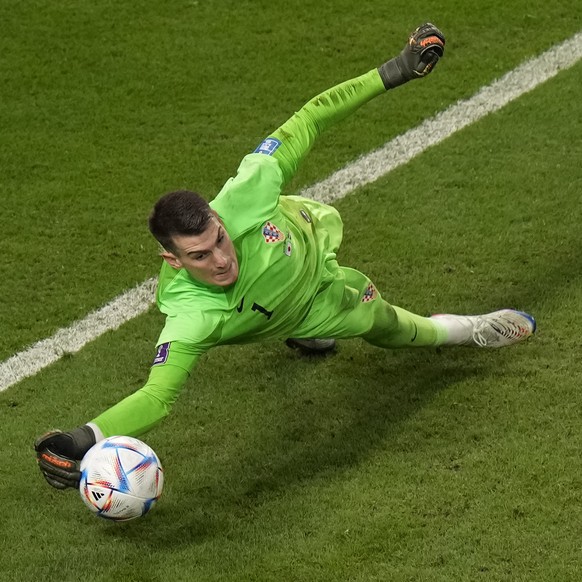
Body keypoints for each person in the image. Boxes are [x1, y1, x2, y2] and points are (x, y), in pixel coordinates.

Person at [35, 23, 536, 490]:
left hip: (308, 243)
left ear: (219, 217)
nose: (221, 260)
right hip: (306, 306)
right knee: (391, 330)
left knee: (379, 324)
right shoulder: (190, 315)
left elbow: (310, 118)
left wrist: (395, 70)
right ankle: (467, 329)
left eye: (220, 239)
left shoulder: (246, 192)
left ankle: (456, 331)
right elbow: (157, 396)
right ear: (173, 262)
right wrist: (82, 439)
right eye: (200, 256)